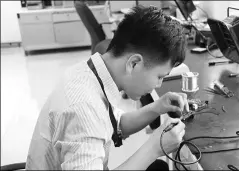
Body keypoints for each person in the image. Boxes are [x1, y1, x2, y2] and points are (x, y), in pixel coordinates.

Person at [26, 5, 188, 170]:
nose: (158, 85)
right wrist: (154, 148)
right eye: (160, 76)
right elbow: (92, 120)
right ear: (134, 64)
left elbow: (114, 124)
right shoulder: (85, 109)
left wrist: (157, 107)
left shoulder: (91, 72)